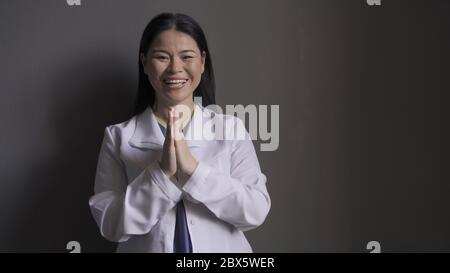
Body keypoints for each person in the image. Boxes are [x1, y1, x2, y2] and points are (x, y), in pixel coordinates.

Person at [88, 12, 271, 253]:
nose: (175, 68)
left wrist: (195, 171)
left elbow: (255, 210)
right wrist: (160, 174)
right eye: (162, 57)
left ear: (202, 62)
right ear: (144, 62)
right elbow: (110, 224)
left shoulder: (231, 129)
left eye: (187, 57)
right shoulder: (118, 137)